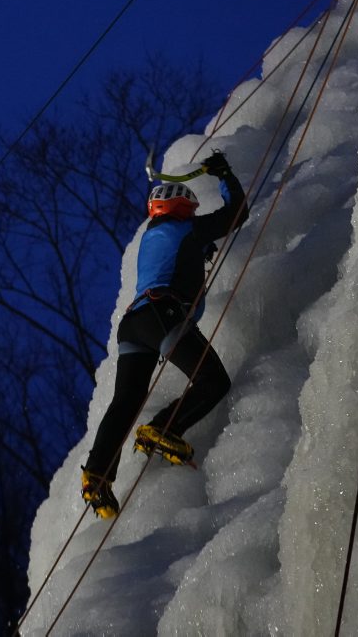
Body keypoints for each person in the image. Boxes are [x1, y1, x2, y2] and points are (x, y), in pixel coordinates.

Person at [81, 151, 248, 519]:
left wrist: (200, 252)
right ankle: (163, 428)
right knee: (213, 380)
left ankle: (96, 475)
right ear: (180, 205)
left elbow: (177, 260)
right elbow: (238, 212)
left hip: (136, 322)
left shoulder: (156, 236)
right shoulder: (186, 228)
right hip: (164, 314)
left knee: (126, 399)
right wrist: (224, 173)